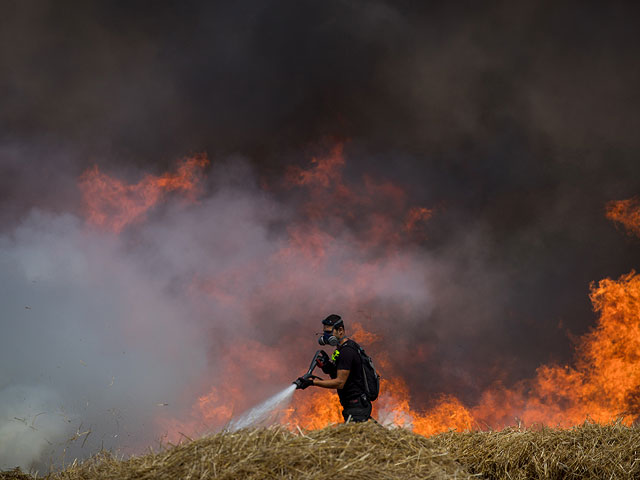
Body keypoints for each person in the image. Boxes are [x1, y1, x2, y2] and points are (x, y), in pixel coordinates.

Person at [296, 314, 372, 422]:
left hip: (357, 406)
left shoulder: (347, 351)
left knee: (353, 438)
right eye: (325, 333)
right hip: (353, 405)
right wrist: (327, 367)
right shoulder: (339, 350)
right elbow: (340, 372)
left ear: (340, 330)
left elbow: (340, 383)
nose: (326, 336)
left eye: (329, 333)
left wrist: (313, 382)